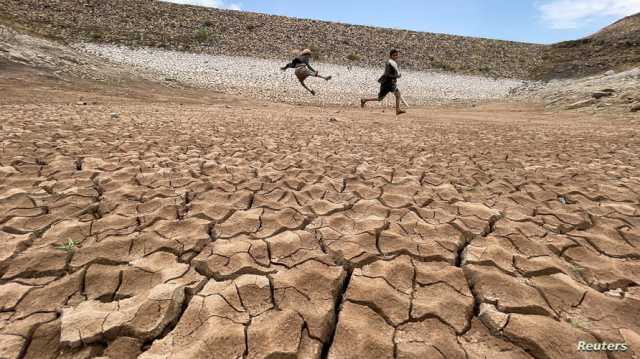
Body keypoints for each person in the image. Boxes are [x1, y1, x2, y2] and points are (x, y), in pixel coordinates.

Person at [360, 49, 406, 115]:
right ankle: (397, 110)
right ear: (391, 55)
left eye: (397, 55)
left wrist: (396, 76)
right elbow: (387, 74)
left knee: (384, 98)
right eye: (394, 55)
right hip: (388, 83)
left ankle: (364, 100)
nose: (396, 56)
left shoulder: (392, 62)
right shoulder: (389, 63)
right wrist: (397, 76)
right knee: (394, 95)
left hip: (390, 83)